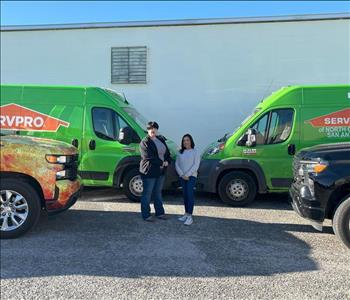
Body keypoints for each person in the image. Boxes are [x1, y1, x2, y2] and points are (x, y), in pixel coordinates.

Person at [139, 121, 171, 222]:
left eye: (154, 128)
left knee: (158, 193)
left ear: (157, 129)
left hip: (161, 171)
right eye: (150, 128)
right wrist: (162, 163)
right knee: (147, 194)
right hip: (149, 171)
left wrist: (167, 161)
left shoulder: (161, 139)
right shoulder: (144, 142)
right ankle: (146, 215)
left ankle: (160, 213)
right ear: (148, 130)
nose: (153, 130)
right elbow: (148, 157)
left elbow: (167, 153)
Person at [175, 134, 200, 226]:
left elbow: (196, 165)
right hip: (182, 177)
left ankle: (190, 216)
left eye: (187, 140)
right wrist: (182, 174)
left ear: (191, 141)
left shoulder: (195, 151)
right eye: (184, 140)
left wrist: (188, 175)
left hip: (191, 177)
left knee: (190, 194)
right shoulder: (180, 152)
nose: (186, 142)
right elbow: (177, 164)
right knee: (185, 195)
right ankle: (186, 213)